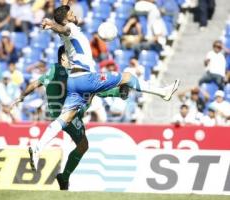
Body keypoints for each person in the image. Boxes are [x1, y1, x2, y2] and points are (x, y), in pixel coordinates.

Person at [36, 3, 179, 179]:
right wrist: (52, 24)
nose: (75, 15)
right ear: (67, 19)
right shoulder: (70, 28)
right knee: (127, 76)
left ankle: (37, 148)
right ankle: (162, 92)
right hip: (85, 77)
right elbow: (63, 28)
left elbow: (62, 18)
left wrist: (57, 17)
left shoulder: (69, 29)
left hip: (74, 82)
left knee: (63, 119)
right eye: (71, 14)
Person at [10, 45, 129, 190]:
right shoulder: (68, 72)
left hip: (56, 112)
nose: (74, 60)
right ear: (63, 57)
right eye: (71, 56)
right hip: (67, 113)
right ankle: (63, 174)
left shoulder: (51, 71)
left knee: (83, 142)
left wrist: (21, 97)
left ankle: (63, 177)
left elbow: (34, 84)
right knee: (84, 143)